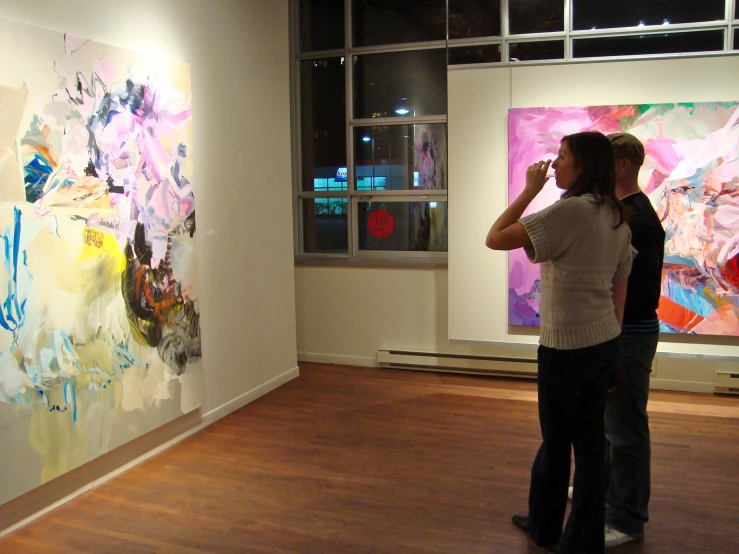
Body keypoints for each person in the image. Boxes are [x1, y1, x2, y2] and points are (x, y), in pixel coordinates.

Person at [485, 131, 634, 554]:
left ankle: (546, 528)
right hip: (603, 341)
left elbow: (495, 237)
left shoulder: (569, 212)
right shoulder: (615, 215)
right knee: (589, 444)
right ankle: (581, 538)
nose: (555, 163)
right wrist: (614, 348)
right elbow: (618, 294)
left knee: (556, 442)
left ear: (583, 166)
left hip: (565, 348)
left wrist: (529, 190)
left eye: (563, 156)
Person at [602, 133, 665, 547]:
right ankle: (615, 497)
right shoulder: (632, 214)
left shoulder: (635, 220)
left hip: (630, 334)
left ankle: (627, 519)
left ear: (623, 164)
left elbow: (631, 291)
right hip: (627, 332)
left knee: (625, 430)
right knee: (615, 426)